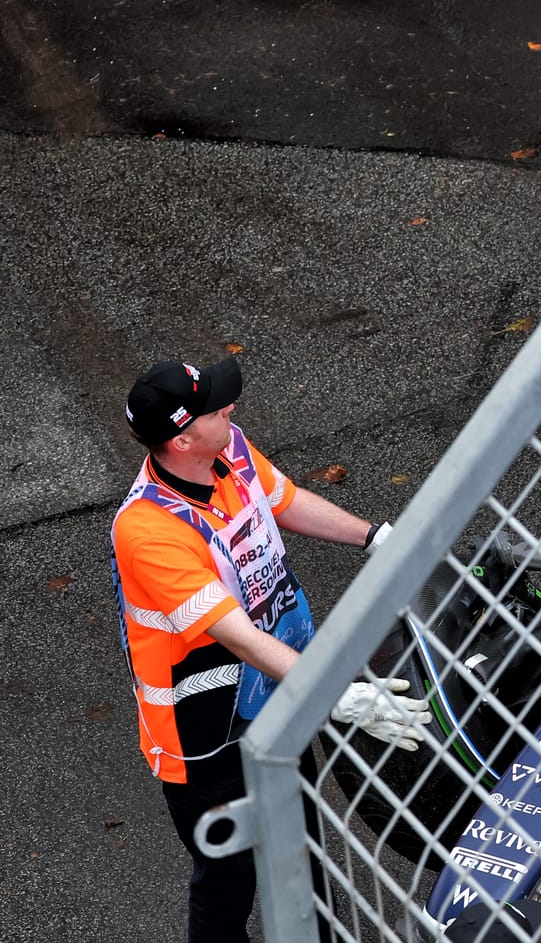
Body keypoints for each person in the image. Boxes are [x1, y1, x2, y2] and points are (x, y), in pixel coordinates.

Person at [110, 355, 430, 943]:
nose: (229, 407)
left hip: (271, 691)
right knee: (230, 877)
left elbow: (283, 499)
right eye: (214, 406)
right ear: (182, 439)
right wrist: (336, 694)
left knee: (300, 840)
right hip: (202, 732)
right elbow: (233, 634)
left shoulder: (226, 448)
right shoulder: (147, 532)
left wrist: (375, 537)